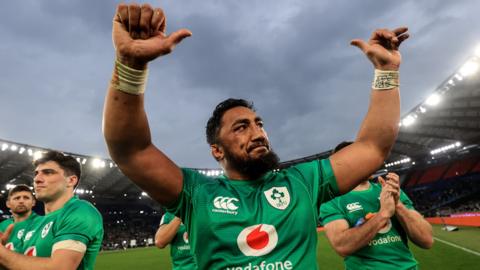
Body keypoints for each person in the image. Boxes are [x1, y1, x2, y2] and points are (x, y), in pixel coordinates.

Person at [103, 3, 409, 268]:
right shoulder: (197, 194)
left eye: (259, 123)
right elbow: (131, 150)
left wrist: (386, 72)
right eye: (241, 127)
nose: (258, 133)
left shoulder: (302, 182)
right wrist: (130, 65)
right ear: (217, 151)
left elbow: (373, 146)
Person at [320, 141, 434, 270]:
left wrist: (398, 205)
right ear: (344, 164)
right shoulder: (331, 200)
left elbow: (427, 240)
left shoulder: (390, 190)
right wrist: (383, 214)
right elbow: (342, 246)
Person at [0, 151, 104, 270]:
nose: (37, 179)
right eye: (36, 174)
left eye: (48, 172)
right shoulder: (34, 224)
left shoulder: (81, 211)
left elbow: (60, 268)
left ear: (71, 180)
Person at [0, 184, 40, 252]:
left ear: (33, 202)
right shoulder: (2, 226)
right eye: (17, 198)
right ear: (8, 204)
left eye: (26, 198)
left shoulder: (43, 223)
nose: (21, 201)